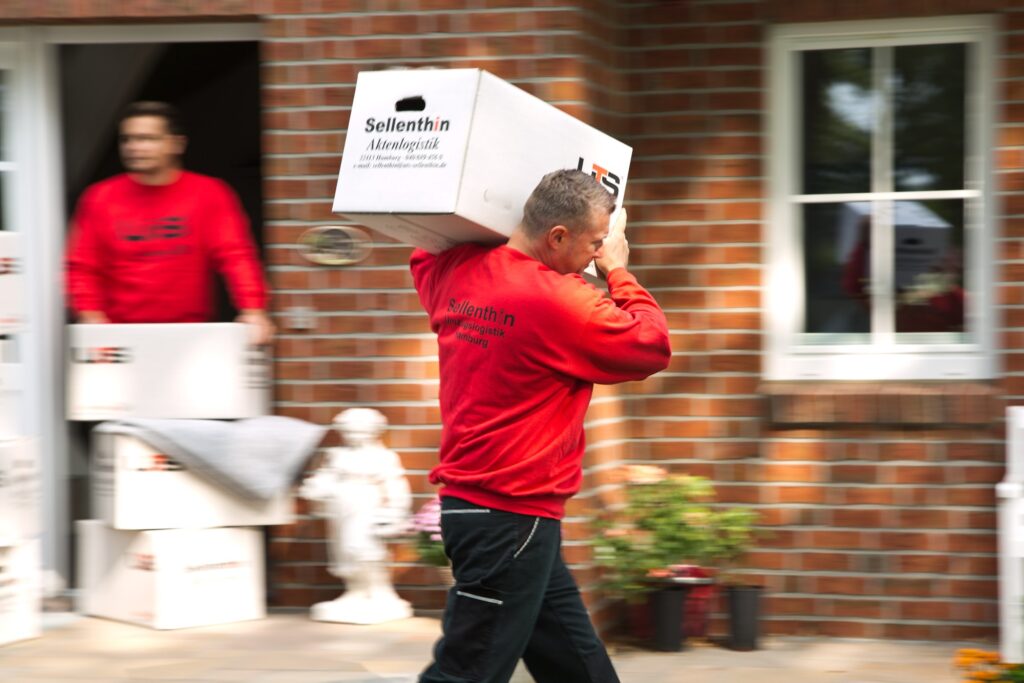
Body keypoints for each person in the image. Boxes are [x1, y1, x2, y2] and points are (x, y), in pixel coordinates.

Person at [410, 169, 672, 683]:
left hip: (487, 514)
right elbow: (652, 344)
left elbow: (425, 251)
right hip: (510, 517)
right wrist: (618, 270)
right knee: (468, 673)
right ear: (558, 237)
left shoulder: (456, 271)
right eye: (596, 242)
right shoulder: (562, 302)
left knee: (578, 666)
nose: (598, 252)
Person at [65, 101, 273, 344]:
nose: (134, 147)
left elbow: (236, 256)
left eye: (147, 139)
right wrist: (91, 317)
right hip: (116, 338)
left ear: (177, 144)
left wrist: (253, 311)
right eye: (127, 139)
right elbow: (81, 266)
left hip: (190, 335)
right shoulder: (100, 197)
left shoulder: (209, 193)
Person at [298, 407, 413, 624]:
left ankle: (379, 591)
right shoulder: (337, 455)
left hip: (367, 507)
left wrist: (395, 511)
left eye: (360, 432)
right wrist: (316, 487)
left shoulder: (383, 457)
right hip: (341, 509)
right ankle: (356, 591)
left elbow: (395, 485)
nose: (353, 437)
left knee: (363, 549)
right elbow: (326, 477)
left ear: (373, 432)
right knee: (343, 552)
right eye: (349, 432)